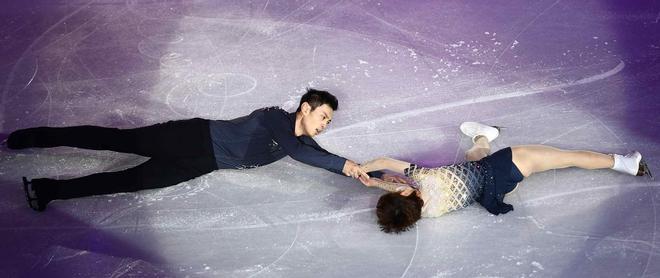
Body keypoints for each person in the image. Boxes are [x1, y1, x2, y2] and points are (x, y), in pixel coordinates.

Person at [6, 88, 400, 212]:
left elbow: (322, 158)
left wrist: (373, 175)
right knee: (113, 140)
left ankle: (45, 190)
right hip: (187, 138)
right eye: (324, 116)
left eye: (330, 120)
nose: (325, 123)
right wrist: (348, 165)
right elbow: (306, 155)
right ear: (305, 108)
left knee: (128, 181)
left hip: (202, 162)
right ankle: (33, 136)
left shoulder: (299, 139)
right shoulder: (276, 120)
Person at [358, 122, 653, 233]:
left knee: (475, 157)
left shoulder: (429, 212)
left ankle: (485, 134)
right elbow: (385, 162)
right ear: (406, 194)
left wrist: (375, 182)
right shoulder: (427, 178)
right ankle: (625, 164)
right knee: (567, 157)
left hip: (488, 188)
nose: (398, 187)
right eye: (397, 190)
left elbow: (404, 188)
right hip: (507, 167)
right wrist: (361, 168)